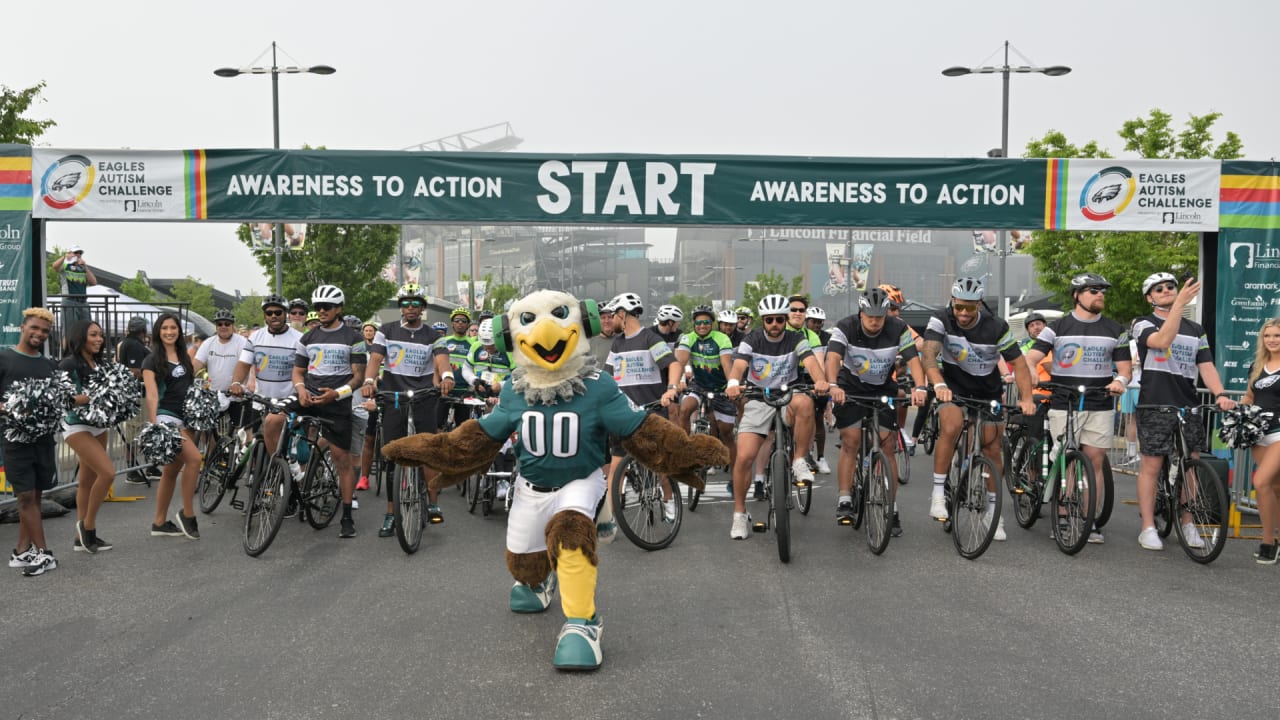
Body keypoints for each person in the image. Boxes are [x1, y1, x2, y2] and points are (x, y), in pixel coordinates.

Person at [920, 278, 1034, 541]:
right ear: (953, 302)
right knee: (951, 425)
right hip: (953, 388)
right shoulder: (942, 319)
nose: (962, 313)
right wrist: (937, 384)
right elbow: (929, 354)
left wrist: (1027, 398)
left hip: (987, 391)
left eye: (969, 309)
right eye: (958, 306)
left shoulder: (996, 327)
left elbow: (1018, 364)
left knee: (993, 449)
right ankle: (938, 493)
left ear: (979, 305)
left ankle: (993, 512)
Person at [1023, 273, 1131, 544]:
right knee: (1068, 456)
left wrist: (1120, 380)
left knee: (1094, 460)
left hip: (1100, 402)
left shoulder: (1115, 329)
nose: (1100, 295)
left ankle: (1088, 519)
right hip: (1064, 400)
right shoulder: (1056, 327)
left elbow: (1125, 369)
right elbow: (1032, 356)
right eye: (1093, 290)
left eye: (1102, 291)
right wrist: (1032, 372)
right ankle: (1062, 513)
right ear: (1076, 295)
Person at [1131, 272, 1234, 552]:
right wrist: (1178, 306)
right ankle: (1148, 527)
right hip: (1155, 403)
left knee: (1192, 463)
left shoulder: (1195, 329)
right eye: (1159, 288)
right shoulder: (1142, 324)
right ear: (1149, 297)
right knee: (1152, 465)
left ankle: (1187, 522)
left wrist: (1221, 394)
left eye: (1171, 287)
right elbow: (1163, 341)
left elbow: (1206, 365)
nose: (1166, 290)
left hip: (1187, 404)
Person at [724, 294, 830, 540]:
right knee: (744, 457)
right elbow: (739, 365)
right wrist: (732, 382)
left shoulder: (796, 338)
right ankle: (739, 514)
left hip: (788, 395)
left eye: (779, 320)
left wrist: (821, 380)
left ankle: (799, 460)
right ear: (763, 320)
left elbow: (811, 362)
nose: (774, 324)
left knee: (806, 402)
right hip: (757, 398)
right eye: (769, 320)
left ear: (785, 320)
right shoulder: (752, 339)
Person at [827, 288, 927, 536]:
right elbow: (832, 357)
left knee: (888, 446)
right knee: (851, 442)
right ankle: (845, 498)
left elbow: (913, 359)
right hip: (850, 388)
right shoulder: (846, 327)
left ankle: (892, 508)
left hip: (883, 387)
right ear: (860, 313)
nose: (874, 321)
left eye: (879, 317)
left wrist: (921, 386)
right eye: (869, 316)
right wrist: (832, 385)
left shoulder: (897, 328)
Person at [363, 283, 449, 534]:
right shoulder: (386, 331)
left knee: (429, 451)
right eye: (405, 303)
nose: (410, 308)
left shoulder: (433, 335)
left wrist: (446, 376)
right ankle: (391, 513)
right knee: (392, 456)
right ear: (400, 307)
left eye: (415, 303)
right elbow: (376, 359)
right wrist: (369, 381)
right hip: (393, 397)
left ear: (422, 307)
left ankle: (433, 503)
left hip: (423, 396)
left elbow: (442, 359)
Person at [294, 285, 366, 539]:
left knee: (342, 460)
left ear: (339, 309)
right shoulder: (307, 338)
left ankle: (346, 516)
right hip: (308, 396)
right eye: (317, 307)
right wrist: (300, 388)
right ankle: (280, 477)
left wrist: (337, 393)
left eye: (327, 307)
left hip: (337, 401)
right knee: (273, 418)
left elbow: (359, 378)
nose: (321, 311)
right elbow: (298, 372)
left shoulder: (353, 338)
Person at [604, 292, 683, 522]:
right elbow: (608, 377)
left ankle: (668, 500)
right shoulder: (617, 344)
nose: (610, 321)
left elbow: (674, 365)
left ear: (623, 314)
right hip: (623, 414)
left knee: (660, 464)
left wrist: (671, 388)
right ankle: (611, 517)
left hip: (652, 410)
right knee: (616, 467)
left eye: (613, 316)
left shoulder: (650, 338)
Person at [2, 308, 60, 576]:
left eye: (45, 331)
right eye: (34, 328)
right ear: (23, 327)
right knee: (25, 495)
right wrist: (12, 409)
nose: (39, 334)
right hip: (15, 441)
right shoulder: (4, 359)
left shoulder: (49, 365)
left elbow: (59, 398)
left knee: (36, 495)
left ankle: (21, 551)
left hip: (44, 440)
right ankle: (44, 554)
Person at [143, 313, 203, 540]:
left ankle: (159, 522)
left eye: (173, 328)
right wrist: (154, 424)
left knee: (170, 472)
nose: (169, 332)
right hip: (166, 419)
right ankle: (187, 514)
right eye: (165, 328)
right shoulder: (151, 360)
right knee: (195, 459)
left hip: (184, 418)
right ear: (158, 331)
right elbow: (151, 393)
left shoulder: (184, 356)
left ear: (179, 331)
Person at [60, 320, 118, 553]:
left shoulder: (100, 363)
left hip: (99, 426)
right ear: (80, 336)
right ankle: (88, 527)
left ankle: (79, 538)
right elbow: (61, 398)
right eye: (93, 334)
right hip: (76, 426)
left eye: (101, 335)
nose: (99, 339)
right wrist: (83, 398)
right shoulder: (68, 363)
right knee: (108, 473)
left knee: (86, 481)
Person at [229, 295, 303, 461]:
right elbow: (243, 364)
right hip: (261, 401)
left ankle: (278, 479)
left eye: (278, 312)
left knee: (280, 450)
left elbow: (302, 371)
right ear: (265, 316)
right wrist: (235, 383)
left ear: (286, 314)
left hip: (286, 401)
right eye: (269, 313)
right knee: (257, 450)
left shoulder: (298, 339)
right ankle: (256, 480)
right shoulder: (256, 337)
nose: (273, 316)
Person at [674, 305, 737, 473]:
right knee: (685, 408)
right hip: (699, 384)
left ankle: (736, 472)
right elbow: (680, 362)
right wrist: (679, 381)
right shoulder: (688, 338)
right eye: (698, 323)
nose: (702, 326)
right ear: (694, 324)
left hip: (721, 387)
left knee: (726, 432)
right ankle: (684, 450)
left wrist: (732, 385)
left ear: (712, 323)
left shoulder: (722, 338)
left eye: (706, 322)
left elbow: (726, 364)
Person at [1241, 317, 1280, 563]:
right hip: (1258, 434)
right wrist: (1239, 412)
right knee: (1276, 488)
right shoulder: (1258, 364)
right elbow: (1249, 396)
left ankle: (1268, 542)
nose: (1272, 340)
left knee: (1261, 482)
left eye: (1277, 336)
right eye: (1268, 336)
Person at [193, 308, 251, 427]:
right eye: (219, 324)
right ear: (216, 326)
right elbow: (196, 364)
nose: (223, 326)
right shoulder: (209, 343)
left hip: (237, 395)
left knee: (244, 430)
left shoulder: (242, 342)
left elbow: (247, 364)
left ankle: (245, 444)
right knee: (204, 427)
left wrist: (244, 385)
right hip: (215, 394)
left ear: (232, 325)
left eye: (227, 324)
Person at [117, 315, 154, 485]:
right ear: (143, 330)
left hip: (141, 394)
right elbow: (134, 370)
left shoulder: (133, 343)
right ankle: (132, 469)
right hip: (136, 395)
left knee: (142, 430)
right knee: (135, 430)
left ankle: (148, 465)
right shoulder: (132, 345)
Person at [804, 305, 834, 473]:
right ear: (806, 321)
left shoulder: (827, 338)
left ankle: (821, 457)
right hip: (802, 381)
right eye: (814, 322)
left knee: (818, 419)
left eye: (820, 323)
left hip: (820, 382)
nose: (817, 325)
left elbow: (831, 361)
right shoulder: (800, 336)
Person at [52, 245, 97, 331]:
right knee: (69, 330)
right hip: (69, 300)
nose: (78, 255)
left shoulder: (82, 268)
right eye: (76, 252)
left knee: (86, 329)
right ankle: (66, 345)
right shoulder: (65, 265)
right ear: (70, 253)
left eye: (80, 253)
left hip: (83, 302)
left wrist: (85, 267)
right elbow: (55, 267)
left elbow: (93, 282)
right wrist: (64, 256)